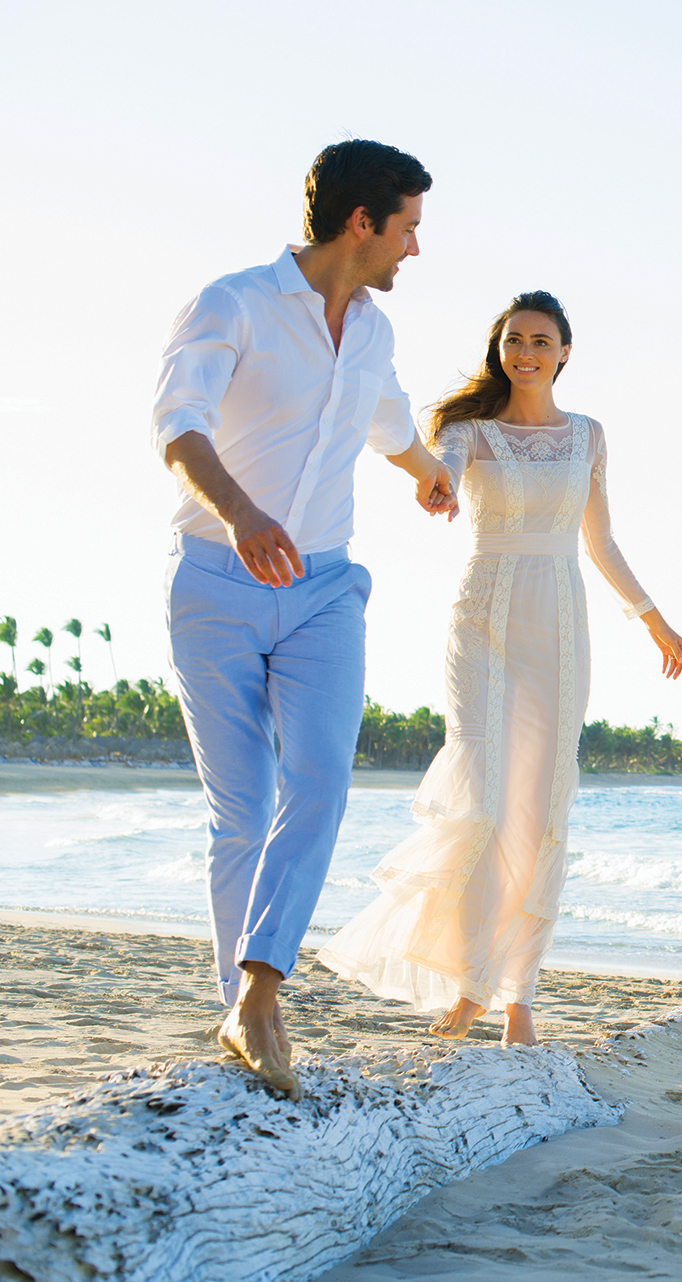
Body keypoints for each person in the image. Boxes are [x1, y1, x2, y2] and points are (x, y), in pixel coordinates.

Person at [154, 140, 453, 1100]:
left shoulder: (371, 334)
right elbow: (179, 425)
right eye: (407, 226)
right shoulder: (232, 303)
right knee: (242, 809)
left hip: (326, 589)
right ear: (362, 223)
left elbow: (390, 421)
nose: (414, 248)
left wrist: (428, 472)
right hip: (215, 582)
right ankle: (243, 1011)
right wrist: (241, 514)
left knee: (318, 781)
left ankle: (258, 992)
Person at [318, 292, 682, 1046]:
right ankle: (467, 984)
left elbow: (601, 542)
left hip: (557, 626)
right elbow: (439, 469)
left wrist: (653, 617)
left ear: (564, 352)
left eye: (540, 341)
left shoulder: (588, 436)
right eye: (513, 340)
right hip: (482, 618)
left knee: (540, 807)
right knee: (482, 796)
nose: (525, 351)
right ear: (500, 349)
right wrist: (436, 483)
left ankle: (516, 993)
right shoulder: (468, 431)